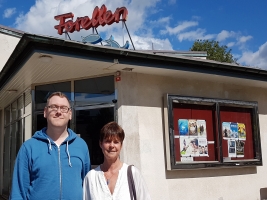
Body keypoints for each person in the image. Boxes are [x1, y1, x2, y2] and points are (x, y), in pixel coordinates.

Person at [10, 92, 90, 200]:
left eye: (63, 108)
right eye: (54, 107)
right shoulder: (29, 148)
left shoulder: (81, 146)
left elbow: (87, 185)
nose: (58, 112)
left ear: (70, 114)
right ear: (45, 112)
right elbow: (18, 192)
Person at [83, 121, 151, 200]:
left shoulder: (132, 174)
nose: (112, 145)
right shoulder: (91, 177)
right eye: (108, 141)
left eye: (116, 142)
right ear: (100, 144)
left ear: (121, 145)